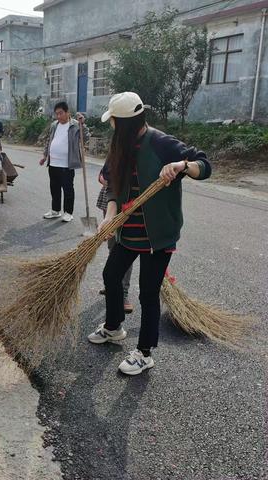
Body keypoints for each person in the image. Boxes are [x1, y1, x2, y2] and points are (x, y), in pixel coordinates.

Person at [87, 92, 211, 376]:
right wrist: (109, 217)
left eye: (115, 121)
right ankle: (114, 326)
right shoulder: (120, 146)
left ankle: (144, 353)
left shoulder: (161, 143)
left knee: (148, 292)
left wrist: (182, 166)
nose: (112, 126)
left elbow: (204, 165)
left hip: (157, 237)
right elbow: (114, 186)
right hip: (127, 234)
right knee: (111, 275)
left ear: (127, 122)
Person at [39, 101, 89, 223]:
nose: (58, 116)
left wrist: (83, 125)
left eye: (61, 113)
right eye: (57, 114)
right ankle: (55, 211)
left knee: (68, 189)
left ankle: (68, 212)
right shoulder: (54, 125)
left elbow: (86, 137)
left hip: (67, 164)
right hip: (53, 163)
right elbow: (49, 141)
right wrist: (45, 156)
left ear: (67, 113)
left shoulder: (75, 125)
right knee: (54, 188)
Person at [96, 167, 134, 314]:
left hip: (131, 204)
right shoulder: (116, 150)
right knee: (113, 247)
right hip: (111, 201)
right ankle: (111, 284)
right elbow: (104, 174)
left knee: (125, 248)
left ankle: (123, 293)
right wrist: (104, 179)